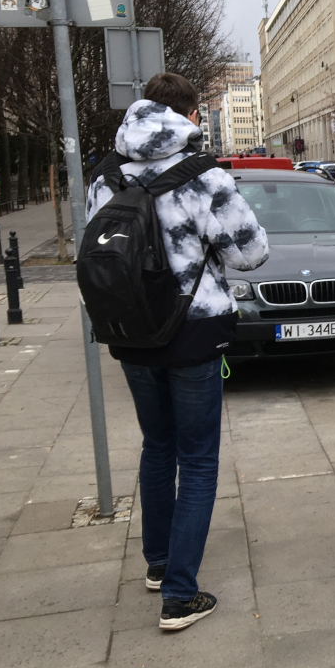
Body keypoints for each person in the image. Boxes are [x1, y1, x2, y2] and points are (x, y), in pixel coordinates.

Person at [85, 73, 269, 631]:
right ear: (190, 115)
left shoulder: (106, 174)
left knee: (157, 446)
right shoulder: (202, 175)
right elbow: (251, 255)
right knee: (199, 458)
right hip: (192, 331)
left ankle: (158, 563)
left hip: (129, 332)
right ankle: (180, 594)